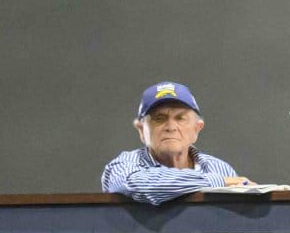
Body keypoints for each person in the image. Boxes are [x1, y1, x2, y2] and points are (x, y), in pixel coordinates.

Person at [102, 83, 255, 205]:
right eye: (159, 118)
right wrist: (218, 182)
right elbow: (137, 184)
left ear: (197, 129)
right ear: (142, 130)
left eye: (180, 118)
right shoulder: (124, 164)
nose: (171, 127)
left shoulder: (220, 168)